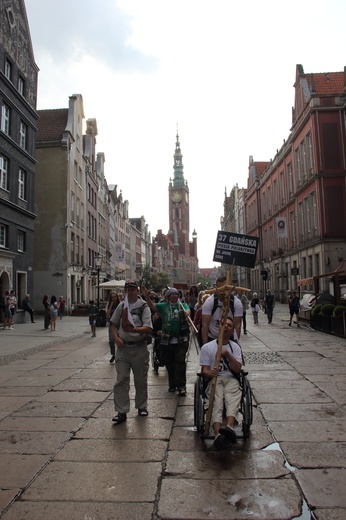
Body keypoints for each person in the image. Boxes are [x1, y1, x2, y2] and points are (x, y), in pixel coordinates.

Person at [110, 281, 153, 424]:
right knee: (121, 379)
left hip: (139, 347)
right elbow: (113, 324)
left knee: (140, 379)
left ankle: (141, 406)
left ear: (137, 291)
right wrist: (116, 338)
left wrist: (134, 329)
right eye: (128, 289)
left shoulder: (143, 307)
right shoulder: (122, 306)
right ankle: (121, 411)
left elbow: (148, 328)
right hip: (123, 349)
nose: (130, 292)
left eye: (133, 289)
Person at [200, 317, 243, 450]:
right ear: (218, 328)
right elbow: (204, 371)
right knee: (216, 401)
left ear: (232, 331)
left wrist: (228, 355)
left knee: (232, 397)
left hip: (230, 378)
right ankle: (218, 433)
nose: (226, 327)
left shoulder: (235, 347)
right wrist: (210, 373)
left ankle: (229, 427)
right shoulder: (207, 347)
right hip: (215, 379)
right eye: (223, 325)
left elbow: (237, 368)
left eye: (229, 326)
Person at [142, 285, 190, 395]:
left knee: (180, 362)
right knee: (169, 363)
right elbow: (153, 306)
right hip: (167, 340)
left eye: (176, 294)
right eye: (172, 294)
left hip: (181, 340)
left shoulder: (182, 305)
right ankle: (172, 384)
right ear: (168, 297)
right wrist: (147, 297)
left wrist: (187, 312)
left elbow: (188, 311)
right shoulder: (163, 306)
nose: (174, 296)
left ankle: (181, 386)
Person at [201, 276, 243, 344]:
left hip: (229, 339)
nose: (222, 292)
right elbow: (205, 325)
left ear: (230, 289)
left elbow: (237, 325)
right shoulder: (209, 302)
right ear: (216, 289)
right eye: (220, 289)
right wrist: (205, 346)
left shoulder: (236, 303)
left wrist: (235, 345)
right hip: (212, 338)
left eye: (225, 289)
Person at [105, 292, 121, 363]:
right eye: (112, 297)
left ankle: (119, 355)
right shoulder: (109, 305)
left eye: (115, 297)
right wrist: (111, 305)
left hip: (119, 325)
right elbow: (107, 314)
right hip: (112, 325)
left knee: (119, 341)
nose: (113, 298)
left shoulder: (120, 304)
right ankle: (113, 354)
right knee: (111, 341)